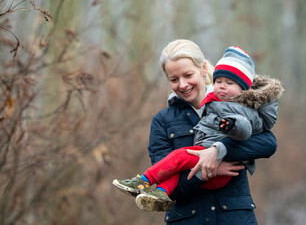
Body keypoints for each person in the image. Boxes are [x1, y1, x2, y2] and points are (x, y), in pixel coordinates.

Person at [118, 39, 278, 224]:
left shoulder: (235, 105)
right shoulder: (163, 121)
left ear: (203, 69)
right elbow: (170, 183)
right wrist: (211, 170)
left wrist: (218, 150)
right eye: (174, 79)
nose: (183, 84)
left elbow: (268, 144)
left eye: (188, 75)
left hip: (234, 218)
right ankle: (141, 181)